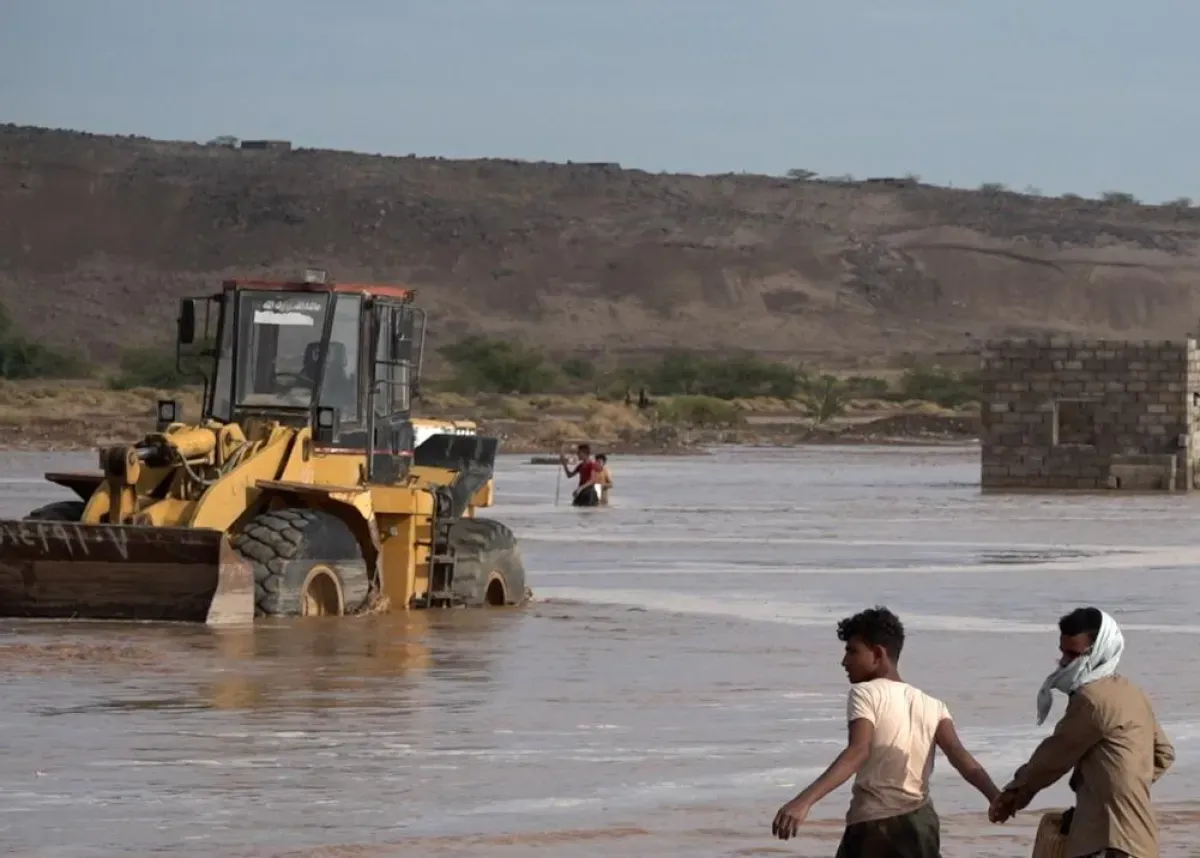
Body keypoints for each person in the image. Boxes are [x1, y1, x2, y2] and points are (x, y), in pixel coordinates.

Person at [772, 606, 999, 857]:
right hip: (921, 823)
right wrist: (996, 797)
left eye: (852, 651)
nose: (844, 661)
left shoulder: (865, 693)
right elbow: (962, 758)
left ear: (878, 654)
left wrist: (804, 801)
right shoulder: (933, 705)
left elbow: (858, 751)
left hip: (876, 826)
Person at [989, 607, 1174, 858]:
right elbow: (1163, 754)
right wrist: (1122, 790)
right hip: (1141, 840)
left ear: (1099, 651)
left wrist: (1012, 796)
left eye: (1073, 654)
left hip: (1108, 843)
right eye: (1062, 652)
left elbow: (1052, 759)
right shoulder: (1131, 692)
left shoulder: (1092, 700)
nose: (1064, 662)